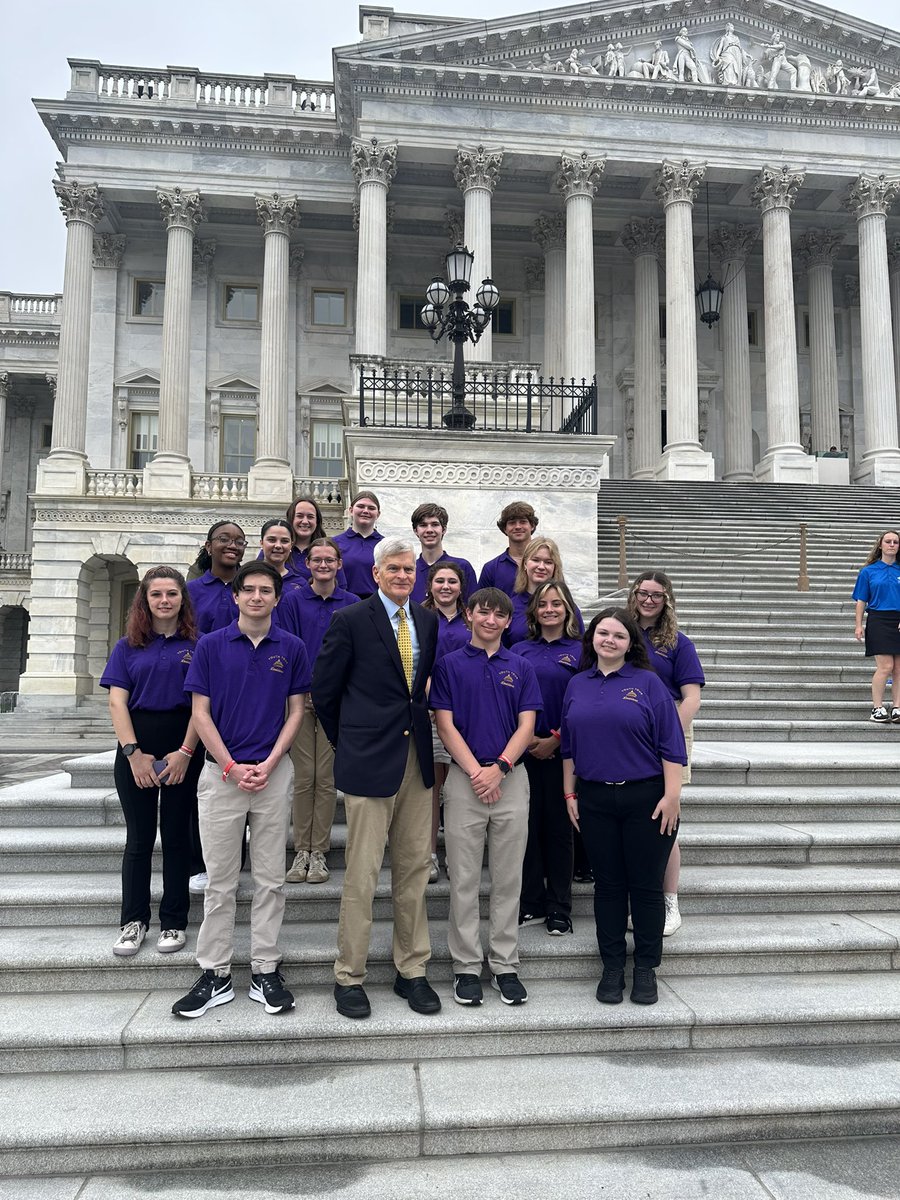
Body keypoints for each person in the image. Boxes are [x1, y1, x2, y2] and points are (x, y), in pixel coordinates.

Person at [172, 561, 310, 1019]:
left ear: (276, 597)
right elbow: (200, 714)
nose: (255, 597)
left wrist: (270, 762)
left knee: (271, 880)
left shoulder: (290, 647)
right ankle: (215, 973)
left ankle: (265, 969)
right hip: (221, 775)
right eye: (247, 589)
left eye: (265, 590)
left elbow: (296, 713)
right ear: (235, 597)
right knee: (220, 883)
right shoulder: (210, 646)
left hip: (273, 774)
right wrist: (231, 766)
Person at [312, 535, 441, 1020]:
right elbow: (324, 694)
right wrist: (349, 745)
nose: (404, 576)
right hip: (367, 760)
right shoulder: (349, 621)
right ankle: (349, 976)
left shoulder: (425, 621)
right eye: (395, 569)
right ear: (376, 574)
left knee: (412, 870)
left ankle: (412, 970)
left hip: (415, 760)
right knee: (362, 875)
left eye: (410, 570)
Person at [561, 608, 685, 1007]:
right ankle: (612, 966)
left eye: (618, 635)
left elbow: (671, 744)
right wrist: (569, 794)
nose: (609, 640)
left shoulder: (648, 683)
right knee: (608, 887)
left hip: (646, 799)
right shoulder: (577, 684)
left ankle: (646, 968)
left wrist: (671, 796)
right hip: (595, 798)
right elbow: (568, 748)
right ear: (591, 638)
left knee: (646, 888)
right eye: (602, 633)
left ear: (631, 644)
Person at [431, 588, 541, 1007]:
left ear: (508, 622)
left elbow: (527, 725)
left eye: (499, 615)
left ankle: (505, 963)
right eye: (483, 612)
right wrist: (477, 771)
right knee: (463, 878)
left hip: (510, 778)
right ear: (469, 615)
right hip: (464, 779)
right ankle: (465, 967)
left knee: (508, 877)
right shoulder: (450, 665)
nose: (491, 620)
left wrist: (500, 768)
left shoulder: (521, 666)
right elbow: (444, 724)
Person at [100, 567, 202, 958]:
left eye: (171, 594)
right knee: (139, 840)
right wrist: (133, 754)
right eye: (156, 594)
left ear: (182, 599)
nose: (164, 601)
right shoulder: (128, 646)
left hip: (184, 741)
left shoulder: (199, 643)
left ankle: (174, 921)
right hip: (136, 742)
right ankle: (133, 921)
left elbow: (201, 705)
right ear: (145, 600)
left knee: (177, 838)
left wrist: (185, 753)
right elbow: (116, 701)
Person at [627, 571, 705, 936]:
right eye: (643, 593)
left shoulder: (678, 643)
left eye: (657, 595)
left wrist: (665, 732)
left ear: (667, 600)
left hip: (668, 729)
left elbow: (692, 697)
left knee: (665, 817)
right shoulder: (621, 632)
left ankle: (669, 900)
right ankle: (636, 896)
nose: (648, 600)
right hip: (624, 732)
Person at [284, 538, 357, 885]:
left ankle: (320, 853)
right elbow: (289, 648)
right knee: (304, 776)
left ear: (339, 564)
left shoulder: (353, 603)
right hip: (300, 699)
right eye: (318, 560)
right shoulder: (293, 601)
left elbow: (356, 654)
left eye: (330, 559)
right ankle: (302, 850)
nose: (324, 565)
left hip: (337, 703)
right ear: (308, 564)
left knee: (326, 779)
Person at [514, 580, 582, 935]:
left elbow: (584, 703)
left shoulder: (582, 650)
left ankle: (559, 905)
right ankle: (531, 902)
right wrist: (525, 741)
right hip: (524, 752)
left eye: (557, 604)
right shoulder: (520, 649)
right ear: (535, 611)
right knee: (527, 828)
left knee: (558, 830)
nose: (550, 609)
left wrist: (555, 739)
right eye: (543, 604)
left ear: (567, 609)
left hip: (562, 753)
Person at [422, 560, 471, 882]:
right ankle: (429, 856)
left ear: (461, 587)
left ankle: (456, 854)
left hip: (467, 715)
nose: (446, 587)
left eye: (452, 581)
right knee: (431, 788)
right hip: (429, 712)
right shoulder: (419, 618)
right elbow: (415, 663)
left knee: (458, 789)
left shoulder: (472, 619)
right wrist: (436, 700)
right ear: (430, 585)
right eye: (440, 581)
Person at [853, 530, 900, 723]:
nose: (892, 544)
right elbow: (861, 600)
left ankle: (897, 708)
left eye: (896, 542)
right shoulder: (868, 571)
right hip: (878, 620)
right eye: (888, 541)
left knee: (899, 669)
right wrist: (858, 625)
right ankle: (877, 708)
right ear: (880, 545)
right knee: (886, 666)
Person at [508, 537, 583, 646]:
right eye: (535, 560)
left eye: (548, 562)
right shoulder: (511, 606)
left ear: (554, 567)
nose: (541, 567)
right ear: (525, 564)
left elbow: (581, 647)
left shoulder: (569, 608)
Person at [409, 502, 477, 603]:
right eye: (423, 525)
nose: (429, 530)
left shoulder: (463, 566)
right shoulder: (409, 570)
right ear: (415, 531)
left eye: (435, 524)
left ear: (444, 529)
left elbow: (472, 608)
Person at [187, 521, 247, 633]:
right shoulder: (189, 590)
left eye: (239, 542)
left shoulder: (251, 589)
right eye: (224, 539)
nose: (233, 546)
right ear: (208, 546)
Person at [478, 501, 538, 597]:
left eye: (523, 522)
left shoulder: (546, 565)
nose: (518, 526)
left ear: (532, 526)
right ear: (505, 529)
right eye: (512, 523)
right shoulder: (491, 568)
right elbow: (481, 605)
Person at [333, 491, 384, 598]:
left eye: (371, 508)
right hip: (344, 604)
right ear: (351, 510)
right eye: (361, 506)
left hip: (376, 605)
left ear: (378, 514)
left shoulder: (386, 545)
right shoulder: (335, 543)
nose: (365, 511)